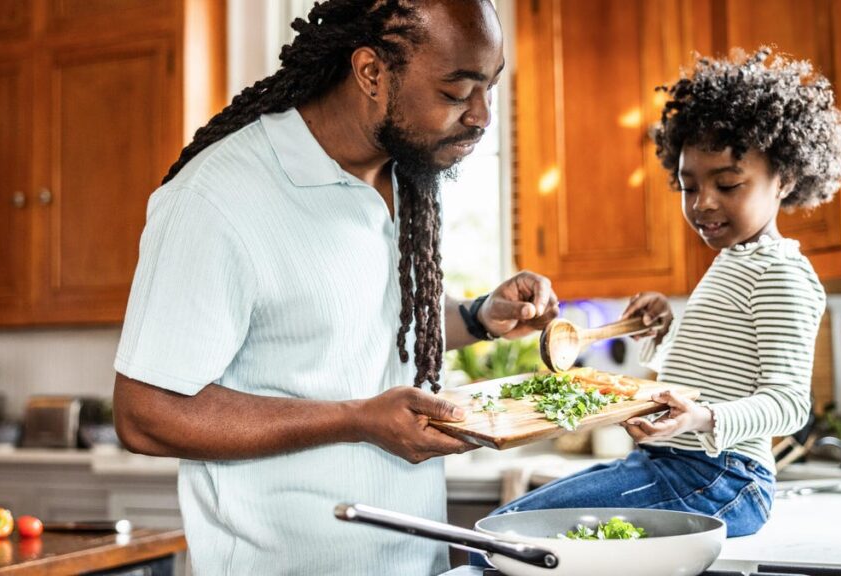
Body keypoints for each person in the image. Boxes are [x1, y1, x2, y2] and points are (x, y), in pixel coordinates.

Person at [111, 1, 559, 574]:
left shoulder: (405, 174)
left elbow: (361, 323)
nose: (481, 116)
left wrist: (476, 316)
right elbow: (144, 413)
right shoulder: (218, 198)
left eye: (490, 87)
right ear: (372, 73)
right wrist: (356, 420)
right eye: (456, 92)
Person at [485, 47, 841, 539]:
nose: (703, 203)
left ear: (783, 179)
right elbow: (713, 372)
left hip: (720, 478)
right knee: (503, 532)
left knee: (508, 535)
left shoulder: (782, 274)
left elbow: (788, 404)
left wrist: (700, 417)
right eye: (688, 186)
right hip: (677, 467)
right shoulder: (735, 261)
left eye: (728, 184)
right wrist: (657, 335)